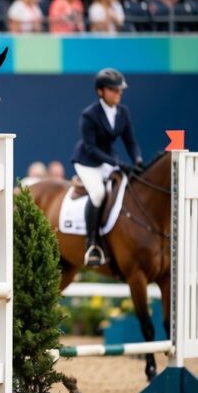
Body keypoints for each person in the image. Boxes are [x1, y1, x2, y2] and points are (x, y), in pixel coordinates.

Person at [70, 68, 142, 266]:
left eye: (120, 90)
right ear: (101, 91)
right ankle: (92, 243)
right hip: (87, 162)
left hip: (108, 160)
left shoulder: (123, 112)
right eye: (114, 90)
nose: (119, 93)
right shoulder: (89, 115)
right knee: (99, 193)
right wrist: (117, 163)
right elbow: (91, 148)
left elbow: (130, 141)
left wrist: (137, 160)